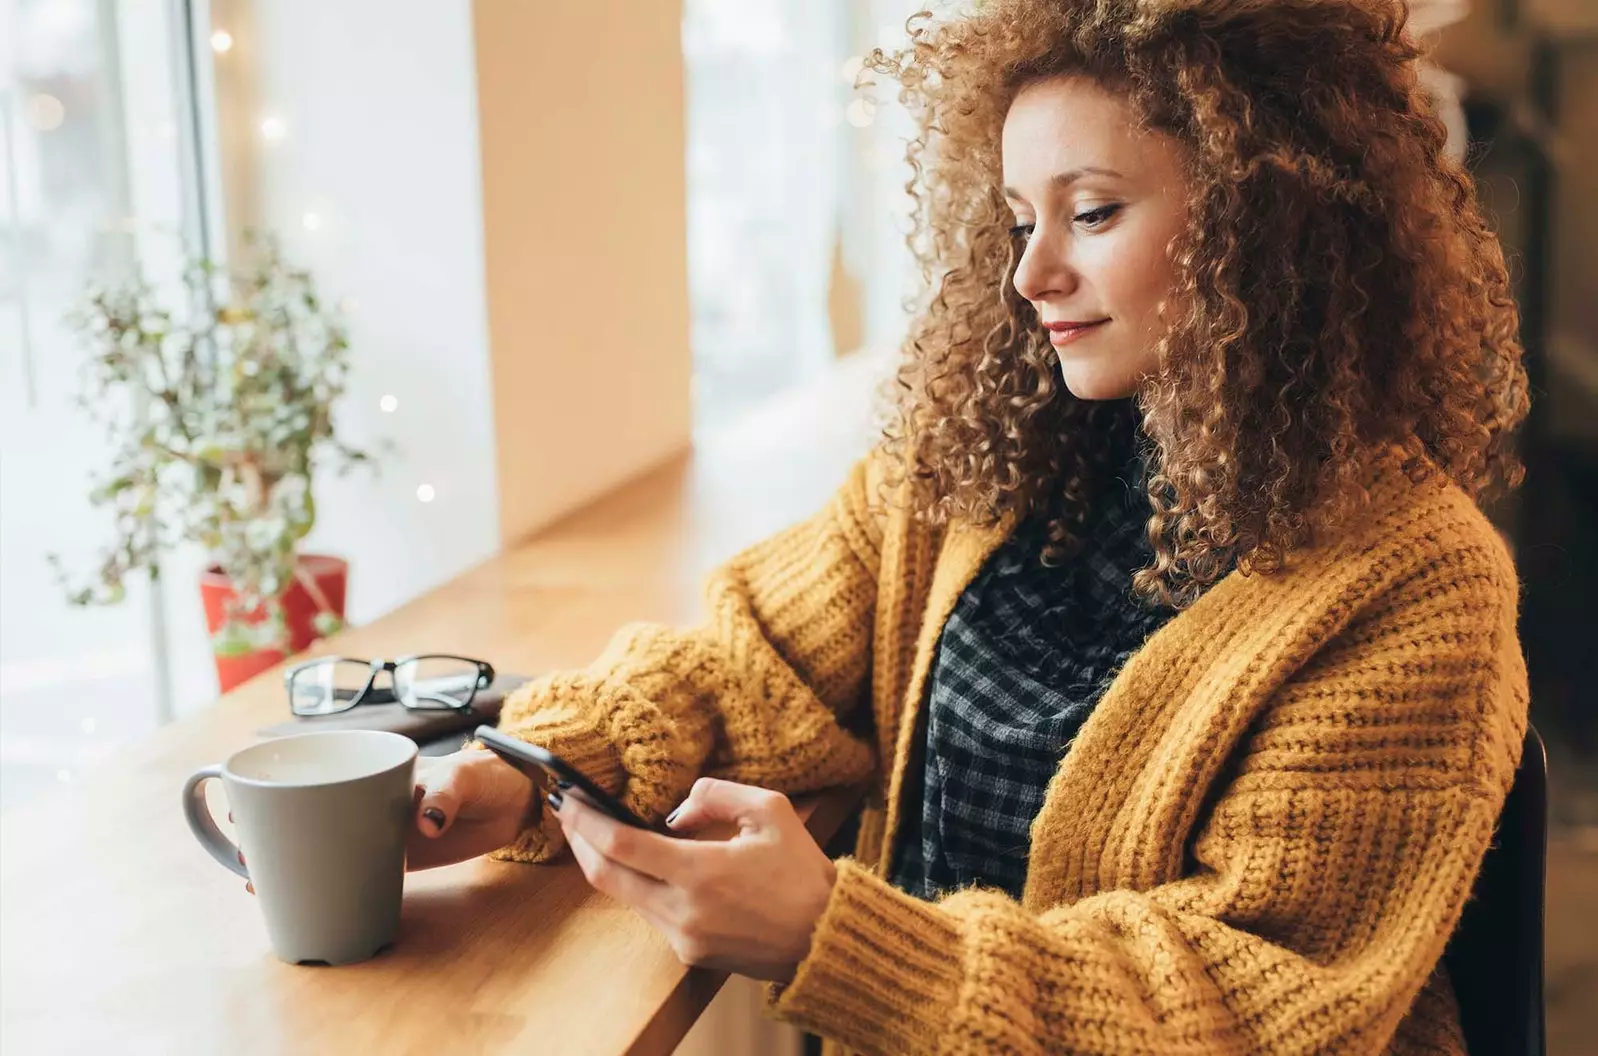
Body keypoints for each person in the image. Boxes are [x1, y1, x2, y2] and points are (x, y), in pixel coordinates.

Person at [405, 1, 1531, 1052]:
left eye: (1090, 212)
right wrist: (533, 766)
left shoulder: (1415, 584)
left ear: (1267, 221)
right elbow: (755, 665)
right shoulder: (985, 460)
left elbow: (1256, 1001)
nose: (1032, 273)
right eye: (1015, 219)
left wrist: (835, 941)